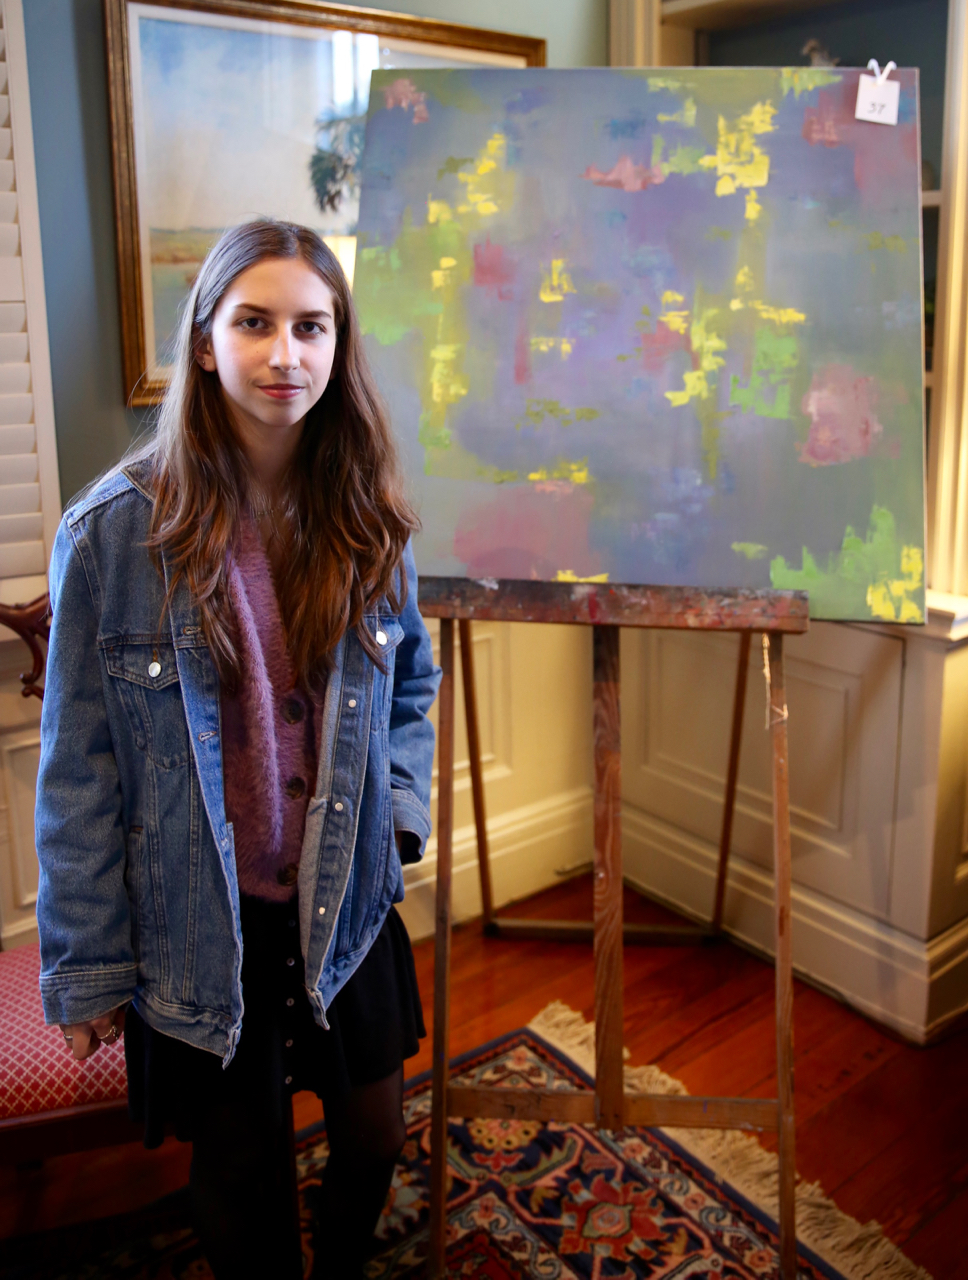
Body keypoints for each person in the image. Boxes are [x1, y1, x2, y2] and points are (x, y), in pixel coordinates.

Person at [34, 219, 440, 1279]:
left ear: (337, 345)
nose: (284, 354)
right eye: (253, 322)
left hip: (342, 903)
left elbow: (411, 687)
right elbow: (78, 766)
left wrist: (399, 809)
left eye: (311, 327)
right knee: (242, 1172)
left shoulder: (368, 520)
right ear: (204, 340)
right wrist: (87, 966)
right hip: (199, 927)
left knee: (375, 1138)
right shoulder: (114, 534)